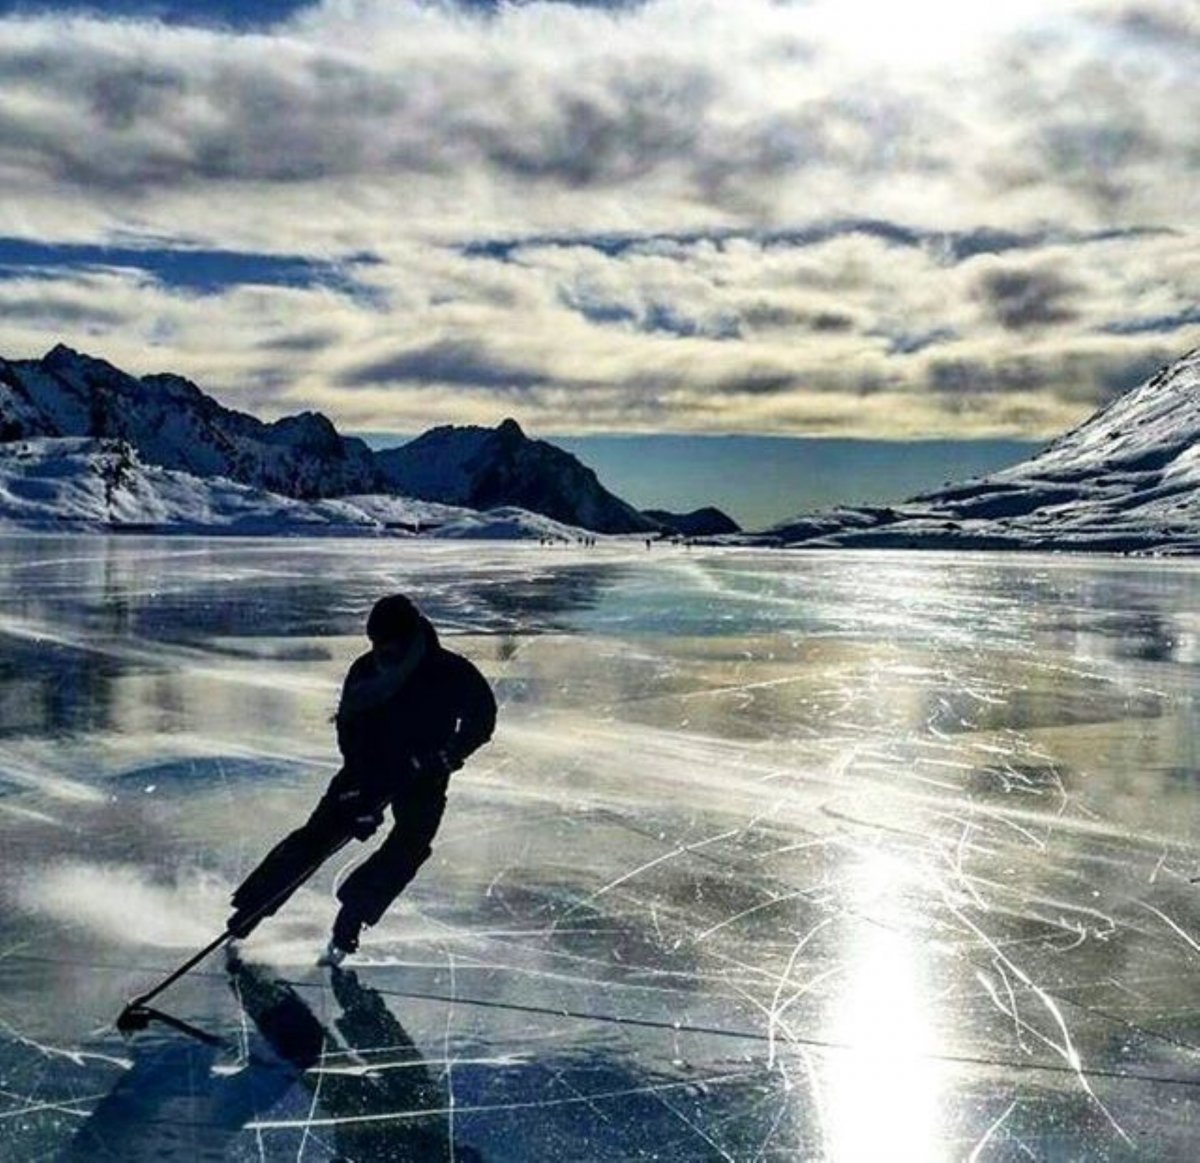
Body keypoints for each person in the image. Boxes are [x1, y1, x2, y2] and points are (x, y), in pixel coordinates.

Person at [226, 593, 496, 964]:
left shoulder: (450, 671)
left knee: (411, 843)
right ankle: (251, 910)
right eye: (375, 644)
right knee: (317, 837)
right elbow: (349, 731)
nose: (381, 652)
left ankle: (353, 915)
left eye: (389, 645)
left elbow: (483, 718)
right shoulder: (365, 670)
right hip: (367, 770)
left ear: (409, 638)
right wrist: (360, 797)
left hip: (424, 775)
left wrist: (448, 755)